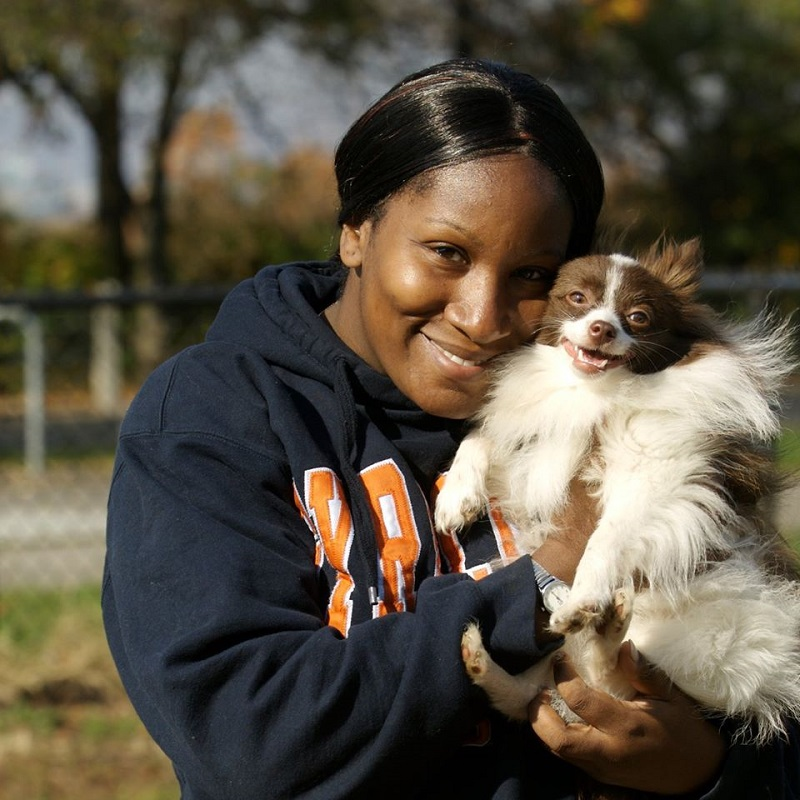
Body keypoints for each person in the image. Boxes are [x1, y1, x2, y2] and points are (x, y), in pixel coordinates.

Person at [102, 58, 800, 799]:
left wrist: (711, 771)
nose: (482, 316)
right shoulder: (213, 414)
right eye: (447, 253)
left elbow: (764, 681)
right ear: (355, 233)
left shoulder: (637, 417)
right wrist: (544, 575)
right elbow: (250, 742)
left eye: (532, 274)